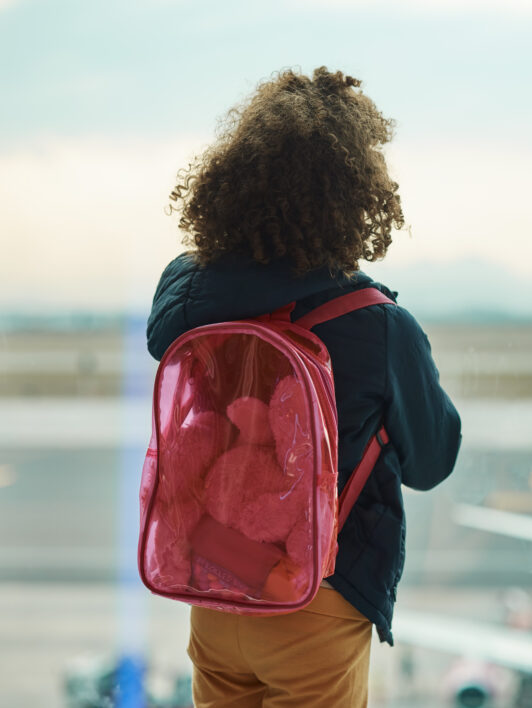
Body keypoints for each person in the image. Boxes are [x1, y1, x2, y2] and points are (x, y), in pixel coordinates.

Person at [146, 66, 462, 707]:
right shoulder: (376, 324)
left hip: (215, 582)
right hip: (311, 597)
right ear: (354, 198)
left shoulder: (191, 299)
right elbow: (433, 460)